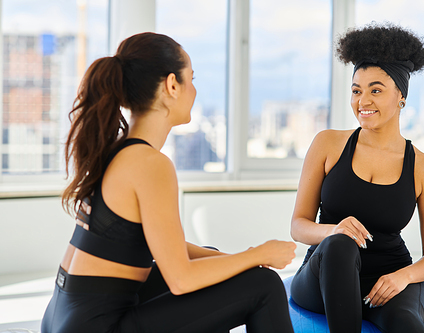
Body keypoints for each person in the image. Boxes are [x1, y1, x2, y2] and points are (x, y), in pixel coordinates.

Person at [41, 32, 296, 333]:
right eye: (192, 79)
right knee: (263, 285)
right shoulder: (150, 165)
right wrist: (258, 254)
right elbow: (181, 279)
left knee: (216, 262)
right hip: (98, 326)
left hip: (66, 319)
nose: (195, 90)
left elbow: (156, 243)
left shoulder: (119, 150)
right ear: (172, 85)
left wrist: (239, 261)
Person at [289, 23, 424, 333]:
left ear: (401, 96)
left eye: (376, 90)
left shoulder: (423, 168)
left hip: (388, 279)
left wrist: (403, 276)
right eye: (357, 90)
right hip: (324, 277)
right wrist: (333, 230)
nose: (363, 101)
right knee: (340, 244)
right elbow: (298, 226)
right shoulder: (328, 144)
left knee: (406, 325)